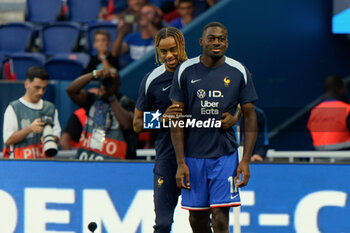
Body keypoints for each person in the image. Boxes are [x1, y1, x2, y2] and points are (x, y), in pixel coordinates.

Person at [169, 22, 258, 233]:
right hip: (192, 156)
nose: (217, 42)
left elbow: (250, 115)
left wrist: (245, 160)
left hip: (224, 155)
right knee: (197, 219)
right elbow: (176, 118)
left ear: (227, 42)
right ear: (201, 42)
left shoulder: (239, 71)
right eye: (212, 38)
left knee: (220, 217)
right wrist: (181, 162)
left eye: (221, 38)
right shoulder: (185, 70)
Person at [133, 27, 187, 233]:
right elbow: (137, 124)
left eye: (173, 49)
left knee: (200, 221)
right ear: (157, 51)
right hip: (167, 158)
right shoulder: (151, 79)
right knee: (163, 224)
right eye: (164, 51)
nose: (169, 55)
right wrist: (162, 119)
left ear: (182, 45)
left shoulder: (198, 71)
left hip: (200, 155)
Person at [66, 68, 135, 160]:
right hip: (88, 160)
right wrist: (93, 74)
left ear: (118, 84)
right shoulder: (94, 99)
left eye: (110, 81)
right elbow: (71, 90)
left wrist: (111, 97)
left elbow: (126, 124)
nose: (104, 85)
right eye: (103, 82)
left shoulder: (127, 103)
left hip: (116, 165)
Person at [2, 66, 61, 159]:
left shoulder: (50, 108)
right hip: (21, 162)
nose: (40, 92)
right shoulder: (14, 108)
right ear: (26, 84)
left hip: (44, 162)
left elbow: (57, 136)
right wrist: (29, 129)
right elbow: (8, 139)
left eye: (44, 88)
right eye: (37, 87)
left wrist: (49, 138)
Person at [308, 75, 350, 150]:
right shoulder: (347, 109)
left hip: (321, 158)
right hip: (344, 158)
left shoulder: (314, 111)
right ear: (339, 89)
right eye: (344, 88)